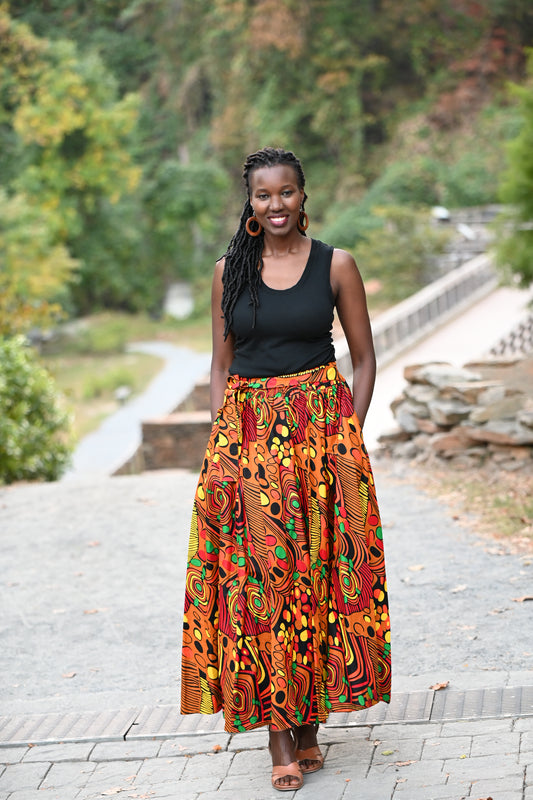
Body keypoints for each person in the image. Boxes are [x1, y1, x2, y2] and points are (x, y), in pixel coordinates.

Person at [181, 147, 391, 792]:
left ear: (304, 195)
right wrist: (226, 446)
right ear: (250, 202)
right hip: (247, 442)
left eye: (287, 193)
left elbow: (363, 359)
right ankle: (279, 736)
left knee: (321, 579)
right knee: (264, 587)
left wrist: (345, 438)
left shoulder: (338, 265)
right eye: (263, 195)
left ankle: (309, 727)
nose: (276, 205)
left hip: (323, 436)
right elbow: (221, 366)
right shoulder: (228, 273)